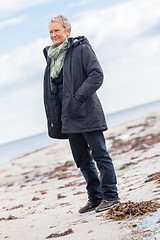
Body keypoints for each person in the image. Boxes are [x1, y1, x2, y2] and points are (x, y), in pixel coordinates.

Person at [43, 15, 120, 213]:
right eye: (51, 32)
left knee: (100, 155)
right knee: (82, 159)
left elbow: (97, 75)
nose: (53, 35)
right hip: (67, 118)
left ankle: (111, 196)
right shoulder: (51, 58)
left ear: (67, 31)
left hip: (86, 112)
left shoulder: (81, 49)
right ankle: (95, 198)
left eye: (57, 30)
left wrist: (77, 98)